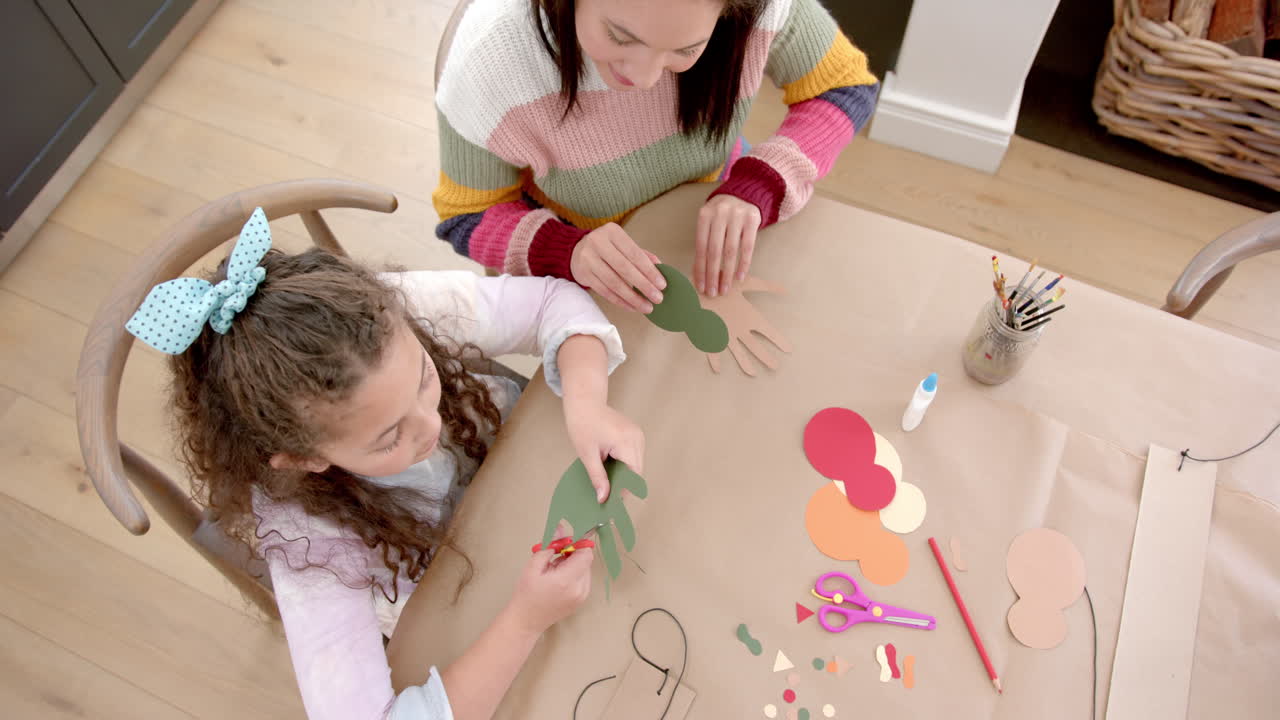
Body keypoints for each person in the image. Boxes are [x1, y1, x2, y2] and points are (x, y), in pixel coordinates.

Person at [127, 208, 644, 719]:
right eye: (389, 436)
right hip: (472, 607)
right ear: (306, 460)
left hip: (533, 493)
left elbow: (552, 302)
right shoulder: (308, 542)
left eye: (424, 376)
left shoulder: (384, 316)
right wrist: (525, 622)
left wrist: (585, 402)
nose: (431, 425)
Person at [434, 0, 878, 310]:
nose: (645, 77)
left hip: (707, 227)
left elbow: (845, 85)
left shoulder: (762, 6)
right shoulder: (488, 61)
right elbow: (467, 215)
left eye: (686, 50)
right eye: (619, 36)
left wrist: (760, 182)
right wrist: (566, 251)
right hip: (578, 270)